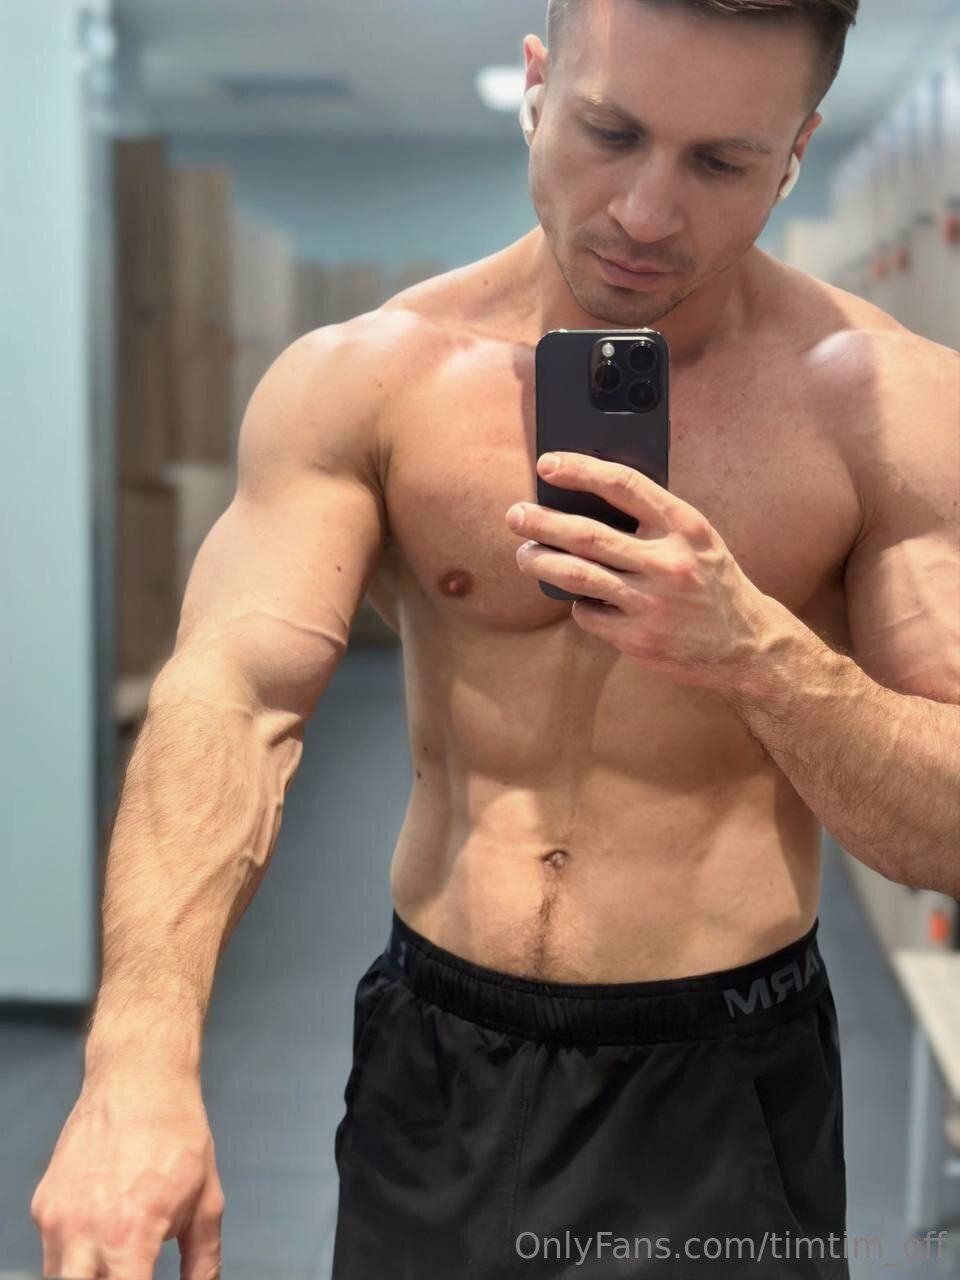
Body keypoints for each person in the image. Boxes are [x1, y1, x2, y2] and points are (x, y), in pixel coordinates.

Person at [31, 0, 960, 1277]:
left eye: (718, 161)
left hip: (726, 1071)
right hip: (439, 1061)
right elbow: (231, 694)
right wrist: (136, 1058)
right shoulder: (367, 377)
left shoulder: (886, 404)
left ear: (796, 151)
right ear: (536, 86)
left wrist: (757, 651)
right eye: (611, 132)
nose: (646, 212)